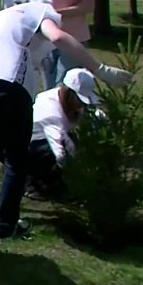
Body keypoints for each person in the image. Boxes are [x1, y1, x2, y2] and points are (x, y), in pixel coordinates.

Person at [0, 0, 132, 239]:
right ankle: (5, 227)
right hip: (9, 89)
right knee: (16, 160)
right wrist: (100, 70)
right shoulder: (38, 10)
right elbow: (57, 37)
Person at [27, 67, 101, 198]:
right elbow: (60, 152)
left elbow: (93, 114)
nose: (81, 104)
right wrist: (79, 175)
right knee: (52, 152)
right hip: (28, 146)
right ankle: (32, 184)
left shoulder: (62, 98)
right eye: (79, 99)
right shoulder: (51, 112)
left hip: (46, 139)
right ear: (69, 94)